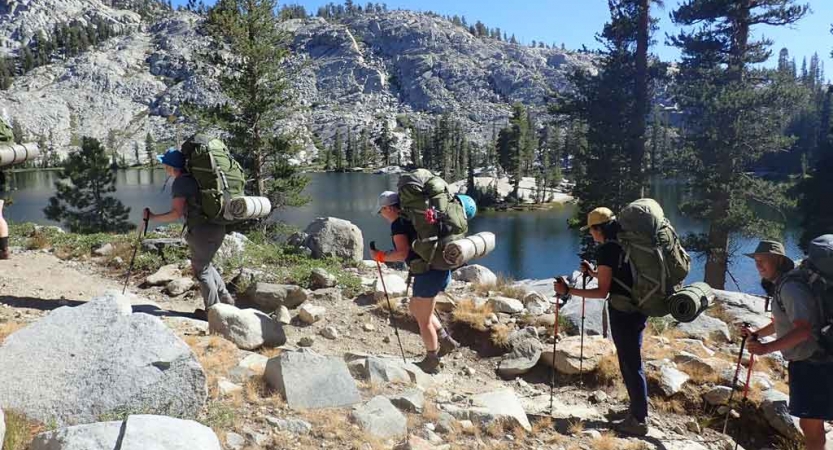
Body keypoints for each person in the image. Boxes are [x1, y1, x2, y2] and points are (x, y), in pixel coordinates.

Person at [553, 207, 648, 436]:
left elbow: (603, 291)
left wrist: (569, 290)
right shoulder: (623, 243)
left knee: (630, 363)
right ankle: (636, 409)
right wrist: (594, 272)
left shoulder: (607, 250)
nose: (591, 235)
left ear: (598, 229)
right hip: (637, 307)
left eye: (592, 230)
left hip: (623, 311)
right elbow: (618, 277)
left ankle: (639, 420)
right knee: (631, 360)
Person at [743, 240, 832, 450]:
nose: (758, 266)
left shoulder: (790, 288)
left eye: (763, 261)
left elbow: (803, 330)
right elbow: (782, 322)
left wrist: (766, 348)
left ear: (779, 260)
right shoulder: (788, 284)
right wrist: (757, 334)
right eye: (756, 261)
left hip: (813, 364)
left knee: (811, 428)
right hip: (817, 360)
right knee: (812, 423)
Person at [373, 190, 460, 373]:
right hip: (440, 268)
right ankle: (445, 340)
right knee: (415, 308)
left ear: (389, 208)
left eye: (381, 211)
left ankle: (432, 360)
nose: (381, 215)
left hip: (428, 273)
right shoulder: (414, 218)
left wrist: (380, 256)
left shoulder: (399, 224)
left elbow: (402, 253)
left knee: (424, 319)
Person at [144, 148, 234, 317]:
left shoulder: (181, 183)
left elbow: (176, 213)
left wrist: (153, 217)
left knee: (202, 270)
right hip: (218, 226)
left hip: (201, 230)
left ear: (171, 167)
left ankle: (213, 312)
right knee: (205, 264)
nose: (164, 167)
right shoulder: (198, 178)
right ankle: (226, 299)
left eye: (165, 164)